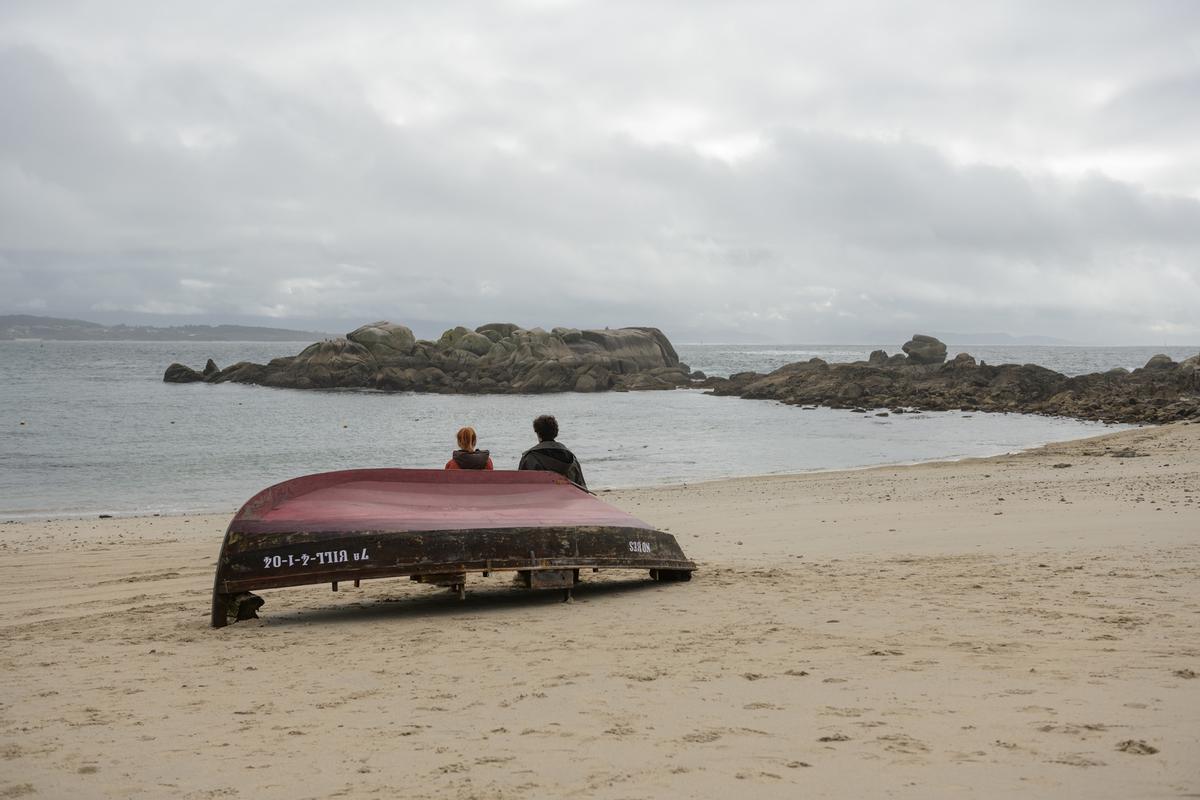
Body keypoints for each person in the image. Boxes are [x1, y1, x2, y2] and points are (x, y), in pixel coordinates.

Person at [518, 414, 586, 489]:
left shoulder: (529, 458)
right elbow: (582, 488)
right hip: (567, 498)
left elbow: (521, 488)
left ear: (538, 433)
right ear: (555, 432)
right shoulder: (572, 459)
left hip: (541, 499)